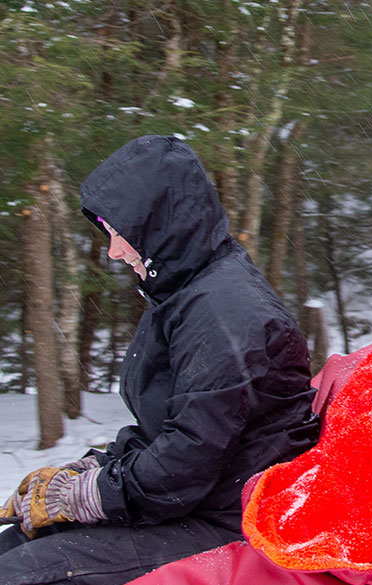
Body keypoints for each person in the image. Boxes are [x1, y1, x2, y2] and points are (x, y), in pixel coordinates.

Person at [0, 135, 320, 585]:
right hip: (194, 503)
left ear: (159, 225)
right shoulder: (187, 292)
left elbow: (185, 462)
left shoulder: (226, 313)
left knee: (24, 573)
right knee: (15, 543)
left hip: (231, 520)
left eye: (119, 234)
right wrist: (91, 470)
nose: (113, 251)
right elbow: (164, 430)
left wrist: (86, 497)